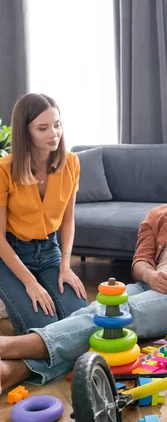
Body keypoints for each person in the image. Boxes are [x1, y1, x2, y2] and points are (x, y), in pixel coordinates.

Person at [0, 152, 167, 392]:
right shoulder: (157, 215)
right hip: (151, 284)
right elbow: (140, 262)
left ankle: (10, 346)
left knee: (119, 315)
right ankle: (16, 371)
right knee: (100, 311)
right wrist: (151, 275)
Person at [0, 94, 88, 335]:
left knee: (81, 323)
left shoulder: (71, 163)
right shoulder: (4, 170)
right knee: (43, 330)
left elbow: (68, 221)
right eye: (43, 128)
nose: (54, 133)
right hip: (10, 254)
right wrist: (30, 283)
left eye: (57, 125)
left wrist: (66, 265)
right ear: (24, 131)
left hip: (50, 251)